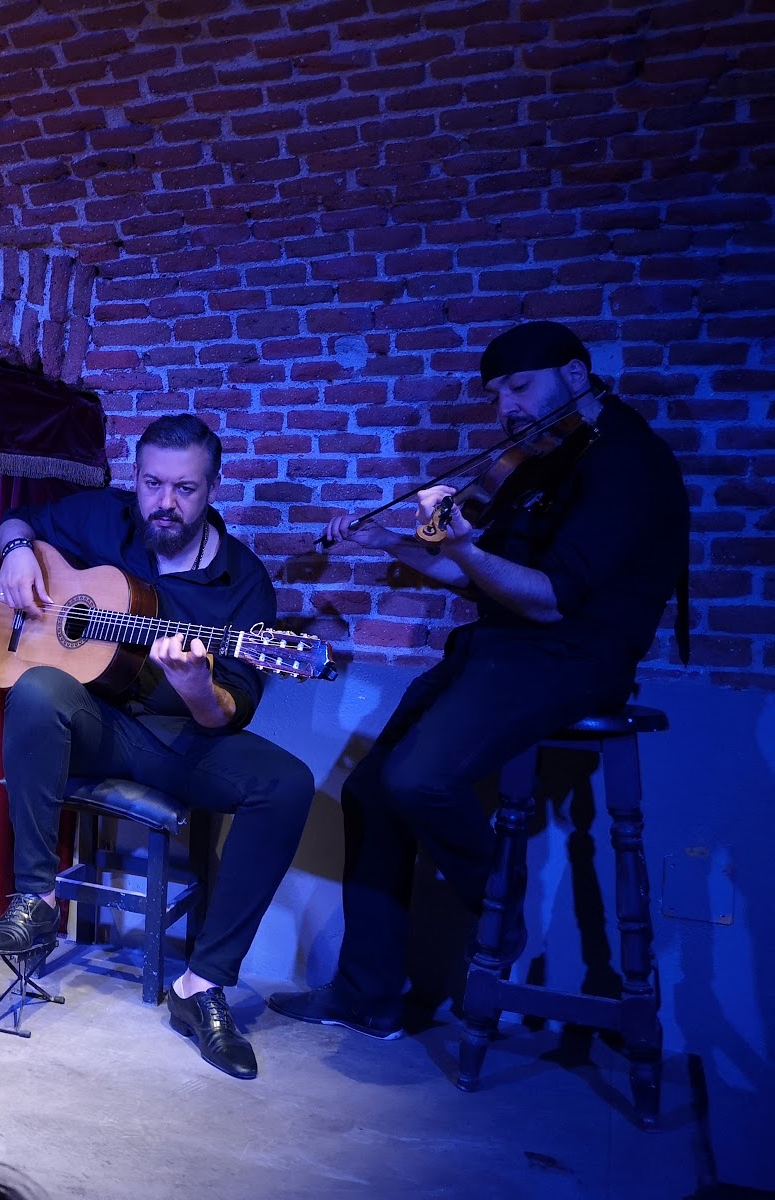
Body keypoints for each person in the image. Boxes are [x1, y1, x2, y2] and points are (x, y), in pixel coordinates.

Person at [269, 320, 689, 1040]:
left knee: (416, 782)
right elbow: (477, 574)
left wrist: (461, 543)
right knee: (370, 791)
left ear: (576, 375)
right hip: (498, 647)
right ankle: (367, 996)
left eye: (520, 388)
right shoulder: (540, 462)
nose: (508, 410)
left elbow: (551, 598)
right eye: (498, 396)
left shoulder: (629, 462)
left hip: (576, 655)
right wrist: (392, 540)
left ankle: (499, 892)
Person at [0, 413, 316, 1081]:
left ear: (214, 487)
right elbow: (16, 522)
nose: (165, 503)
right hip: (94, 723)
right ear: (134, 478)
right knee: (37, 688)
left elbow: (225, 717)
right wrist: (17, 552)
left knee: (288, 784)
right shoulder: (103, 519)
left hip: (177, 735)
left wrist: (195, 685)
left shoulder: (243, 582)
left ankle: (202, 985)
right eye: (153, 483)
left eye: (185, 489)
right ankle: (37, 901)